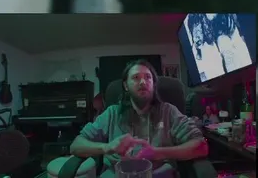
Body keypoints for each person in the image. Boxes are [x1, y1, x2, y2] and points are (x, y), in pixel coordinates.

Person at [61, 59, 207, 177]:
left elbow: (201, 146)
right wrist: (107, 147)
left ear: (153, 84)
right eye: (136, 77)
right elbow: (76, 146)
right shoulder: (112, 113)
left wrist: (157, 153)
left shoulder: (169, 112)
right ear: (125, 85)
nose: (143, 82)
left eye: (148, 77)